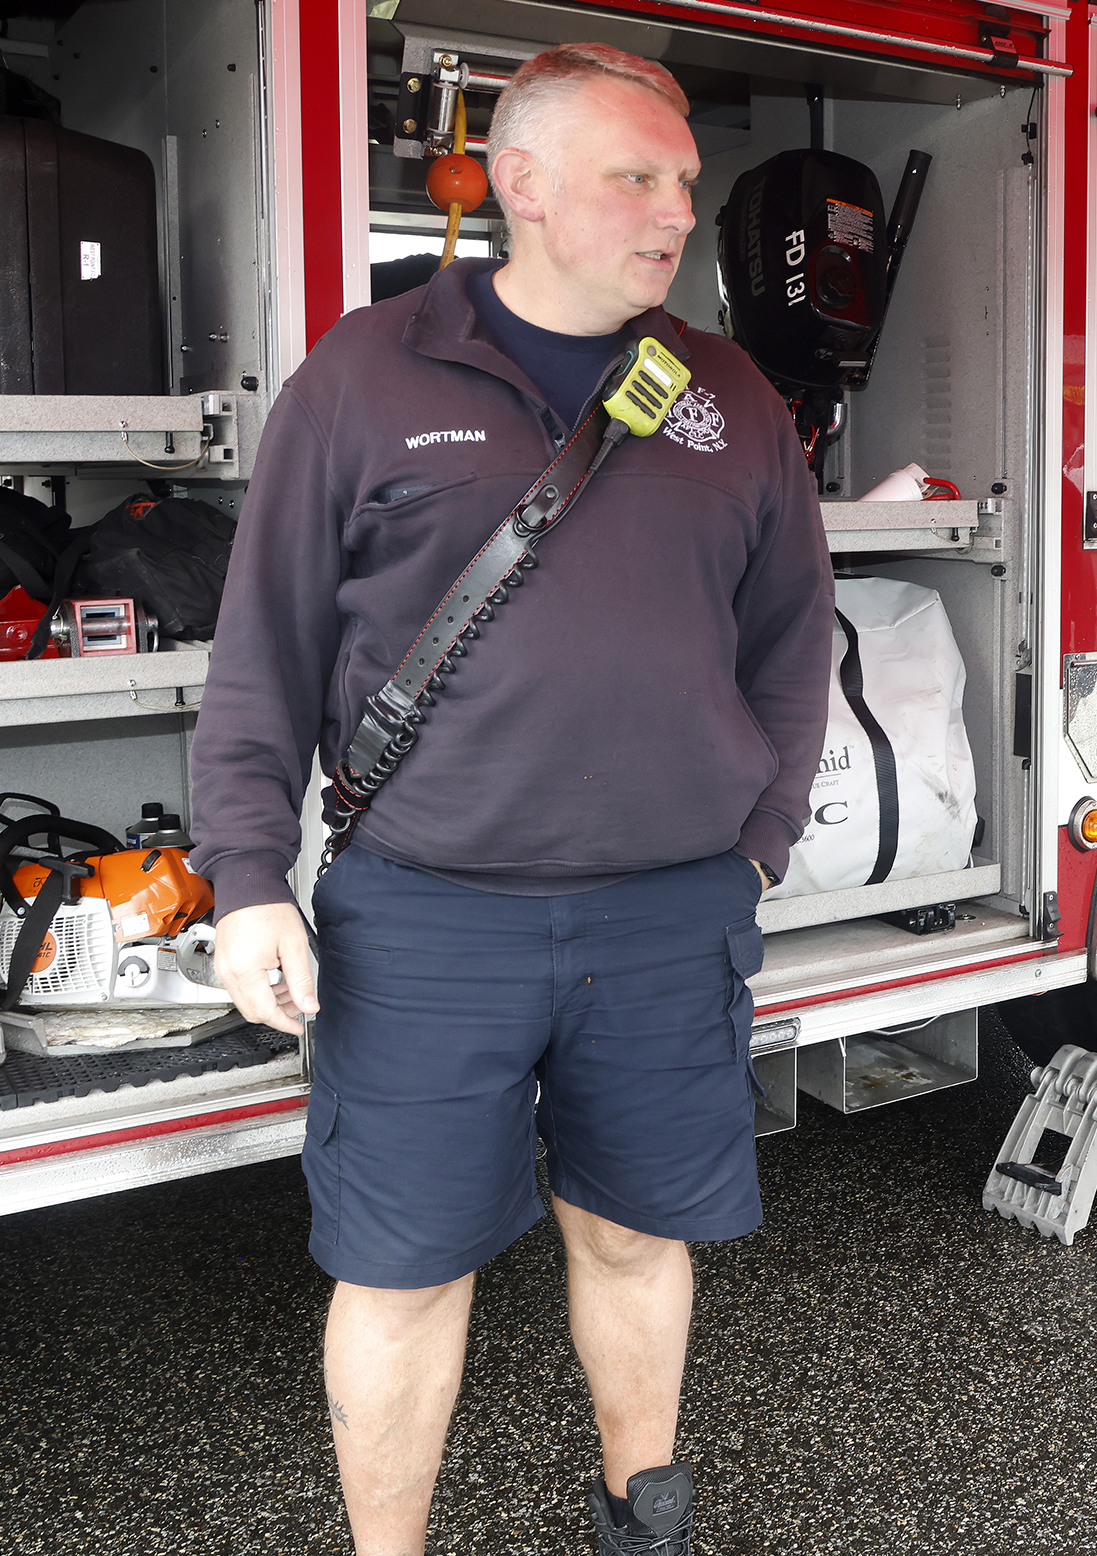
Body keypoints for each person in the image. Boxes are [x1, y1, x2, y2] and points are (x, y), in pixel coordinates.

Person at [189, 42, 833, 1556]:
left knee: (632, 1231)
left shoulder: (728, 396)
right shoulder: (366, 374)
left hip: (670, 914)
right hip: (425, 914)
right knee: (405, 1268)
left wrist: (754, 846)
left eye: (685, 181)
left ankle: (641, 1522)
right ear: (522, 184)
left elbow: (794, 641)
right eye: (637, 176)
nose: (676, 210)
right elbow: (263, 653)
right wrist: (242, 878)